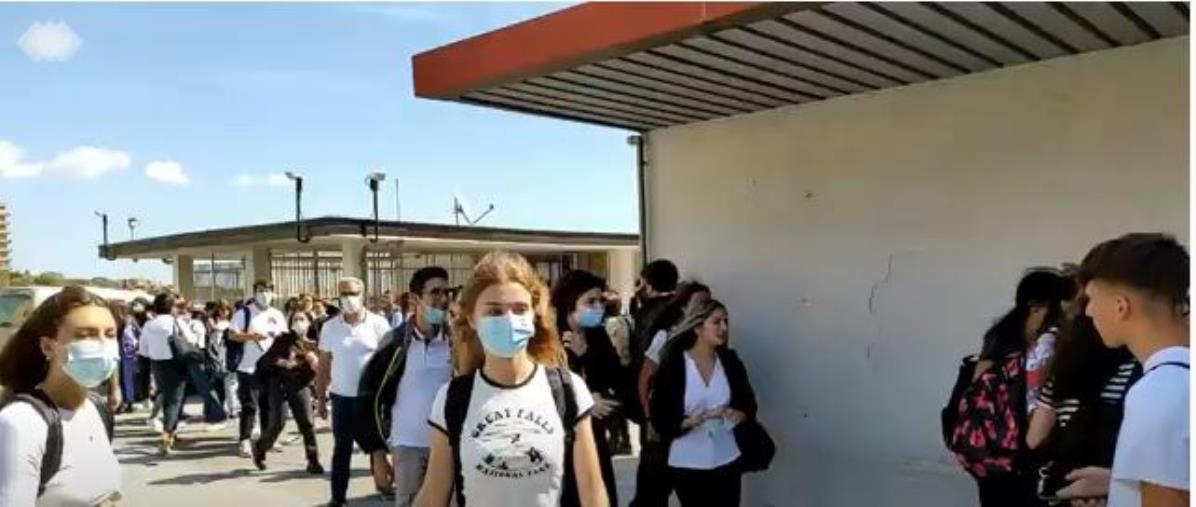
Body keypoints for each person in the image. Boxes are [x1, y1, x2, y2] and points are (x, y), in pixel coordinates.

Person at [413, 251, 608, 507]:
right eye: (494, 311)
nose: (509, 320)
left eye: (520, 309)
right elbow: (433, 495)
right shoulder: (452, 398)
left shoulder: (567, 389)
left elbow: (593, 493)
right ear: (472, 318)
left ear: (533, 317)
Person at [1057, 233, 1189, 507]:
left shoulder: (1157, 392)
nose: (1089, 312)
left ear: (1120, 306)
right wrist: (1119, 483)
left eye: (1090, 299)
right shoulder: (1176, 381)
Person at [0, 286, 121, 505]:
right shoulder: (22, 422)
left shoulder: (97, 408)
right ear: (48, 346)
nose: (103, 345)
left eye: (110, 335)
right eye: (86, 335)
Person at [966, 268, 1070, 506]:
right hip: (1008, 451)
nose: (1060, 318)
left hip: (1002, 451)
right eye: (1055, 310)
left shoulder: (1001, 335)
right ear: (1035, 307)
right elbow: (979, 392)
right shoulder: (1012, 339)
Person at [356, 267, 454, 507]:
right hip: (408, 446)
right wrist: (377, 454)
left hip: (449, 448)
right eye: (435, 292)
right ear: (415, 299)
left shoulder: (457, 342)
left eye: (447, 292)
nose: (443, 299)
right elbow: (368, 397)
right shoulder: (394, 343)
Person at [649, 299, 757, 507]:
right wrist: (688, 422)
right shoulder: (674, 365)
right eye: (716, 322)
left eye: (726, 321)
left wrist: (736, 414)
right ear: (698, 327)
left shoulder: (729, 360)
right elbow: (659, 415)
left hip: (727, 456)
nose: (724, 328)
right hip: (687, 460)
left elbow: (748, 403)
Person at [1028, 308, 1142, 501]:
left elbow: (1034, 439)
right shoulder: (1136, 369)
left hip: (1067, 487)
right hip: (1112, 487)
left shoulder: (1060, 376)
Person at [551, 269, 627, 505]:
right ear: (569, 303)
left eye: (600, 301)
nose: (598, 307)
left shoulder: (597, 335)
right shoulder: (549, 338)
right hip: (560, 441)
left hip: (595, 435)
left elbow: (616, 377)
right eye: (590, 301)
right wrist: (584, 402)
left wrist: (587, 355)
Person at [317, 277, 393, 507]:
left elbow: (390, 362)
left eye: (352, 293)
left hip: (371, 399)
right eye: (343, 293)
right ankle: (338, 497)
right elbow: (324, 365)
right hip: (342, 400)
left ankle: (385, 488)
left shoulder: (379, 324)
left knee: (377, 448)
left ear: (362, 294)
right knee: (342, 450)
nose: (347, 298)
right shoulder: (330, 327)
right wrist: (321, 398)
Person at [629, 259, 680, 507]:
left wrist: (646, 413)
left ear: (647, 284)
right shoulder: (685, 310)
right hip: (684, 406)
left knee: (652, 483)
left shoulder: (646, 314)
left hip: (654, 404)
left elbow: (642, 367)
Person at [253, 311, 324, 474]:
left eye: (302, 319)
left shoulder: (314, 344)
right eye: (295, 319)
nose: (299, 322)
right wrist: (285, 363)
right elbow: (269, 359)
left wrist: (313, 363)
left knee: (306, 422)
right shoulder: (282, 339)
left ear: (309, 322)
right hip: (279, 384)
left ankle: (313, 460)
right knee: (278, 422)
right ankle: (261, 447)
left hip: (300, 385)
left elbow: (320, 368)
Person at [228, 280, 286, 458]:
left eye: (268, 291)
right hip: (248, 366)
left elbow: (284, 337)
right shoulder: (244, 313)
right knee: (249, 405)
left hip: (270, 367)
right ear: (254, 293)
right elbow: (231, 334)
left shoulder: (277, 314)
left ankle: (267, 438)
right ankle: (245, 440)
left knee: (268, 405)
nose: (264, 294)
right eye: (260, 291)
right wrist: (249, 336)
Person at [139, 292, 200, 454]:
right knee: (175, 400)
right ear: (171, 307)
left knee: (167, 397)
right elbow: (192, 340)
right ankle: (166, 435)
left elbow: (143, 350)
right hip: (176, 363)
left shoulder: (149, 324)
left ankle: (172, 432)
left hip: (157, 364)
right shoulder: (176, 322)